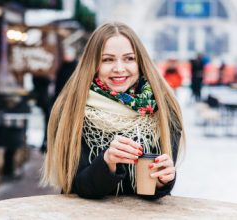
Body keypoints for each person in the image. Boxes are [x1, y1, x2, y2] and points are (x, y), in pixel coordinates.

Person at [41, 22, 185, 200]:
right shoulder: (73, 108)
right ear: (93, 64)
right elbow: (75, 187)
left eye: (129, 58)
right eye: (107, 59)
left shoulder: (164, 111)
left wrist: (163, 180)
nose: (119, 68)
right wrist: (107, 162)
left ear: (140, 62)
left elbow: (153, 192)